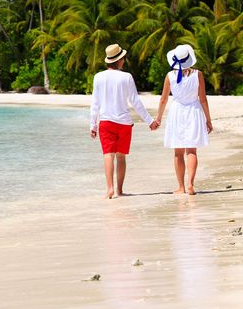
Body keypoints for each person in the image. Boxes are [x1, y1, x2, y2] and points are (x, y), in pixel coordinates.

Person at [90, 44, 158, 199]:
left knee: (108, 155)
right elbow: (135, 102)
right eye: (123, 58)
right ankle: (120, 190)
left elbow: (95, 103)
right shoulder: (126, 77)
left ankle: (110, 189)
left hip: (106, 122)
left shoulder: (98, 77)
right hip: (124, 124)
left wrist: (92, 125)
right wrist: (149, 121)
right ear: (119, 60)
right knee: (121, 157)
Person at [155, 44, 212, 195]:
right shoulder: (197, 74)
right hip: (194, 111)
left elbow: (163, 99)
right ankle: (191, 184)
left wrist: (158, 119)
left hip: (177, 112)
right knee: (191, 150)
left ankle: (181, 187)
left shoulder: (170, 76)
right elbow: (203, 99)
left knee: (178, 152)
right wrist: (208, 119)